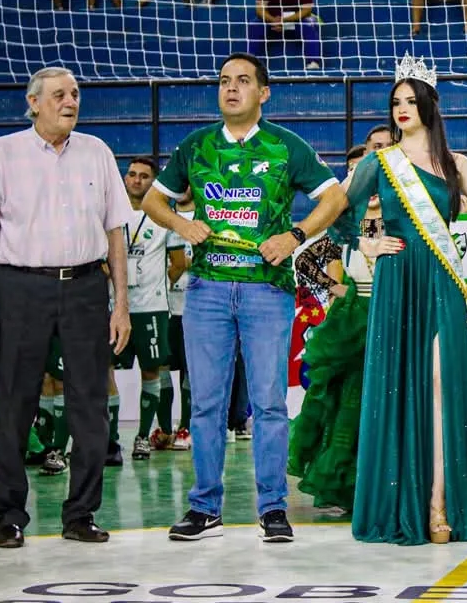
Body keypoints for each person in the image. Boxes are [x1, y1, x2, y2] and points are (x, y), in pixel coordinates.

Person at [140, 52, 346, 543]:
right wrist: (182, 223)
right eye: (225, 81)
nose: (231, 88)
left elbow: (335, 198)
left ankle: (273, 508)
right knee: (206, 405)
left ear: (264, 92)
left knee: (269, 404)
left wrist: (295, 237)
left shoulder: (284, 146)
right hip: (207, 291)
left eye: (243, 81)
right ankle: (204, 507)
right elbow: (152, 199)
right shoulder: (197, 145)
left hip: (266, 291)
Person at [338, 54, 467, 544]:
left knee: (439, 381)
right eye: (396, 102)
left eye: (411, 101)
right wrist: (366, 243)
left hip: (440, 279)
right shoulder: (380, 162)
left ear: (430, 106)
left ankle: (438, 500)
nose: (402, 109)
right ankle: (410, 503)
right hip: (397, 279)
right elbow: (337, 211)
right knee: (400, 384)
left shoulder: (457, 164)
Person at [0, 66, 133, 548]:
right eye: (59, 95)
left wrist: (121, 304)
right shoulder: (2, 153)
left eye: (75, 94)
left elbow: (116, 233)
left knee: (90, 404)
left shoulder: (97, 152)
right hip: (19, 288)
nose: (71, 102)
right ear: (33, 103)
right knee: (13, 402)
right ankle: (9, 516)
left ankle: (80, 514)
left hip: (87, 288)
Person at [289, 145, 386, 514]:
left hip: (387, 309)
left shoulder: (399, 206)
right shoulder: (355, 216)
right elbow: (309, 259)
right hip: (356, 314)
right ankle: (351, 483)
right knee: (346, 400)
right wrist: (337, 288)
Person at [114, 157, 188, 462]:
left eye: (144, 176)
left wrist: (156, 284)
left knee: (152, 370)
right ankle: (109, 439)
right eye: (131, 174)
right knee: (106, 372)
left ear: (152, 182)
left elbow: (180, 263)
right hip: (113, 307)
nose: (136, 180)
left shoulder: (163, 218)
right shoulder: (110, 215)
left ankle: (143, 437)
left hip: (152, 307)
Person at [152, 188, 196, 452]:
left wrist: (185, 262)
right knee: (162, 369)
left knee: (191, 373)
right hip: (164, 306)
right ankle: (165, 429)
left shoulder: (206, 216)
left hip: (194, 308)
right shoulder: (161, 217)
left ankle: (186, 427)